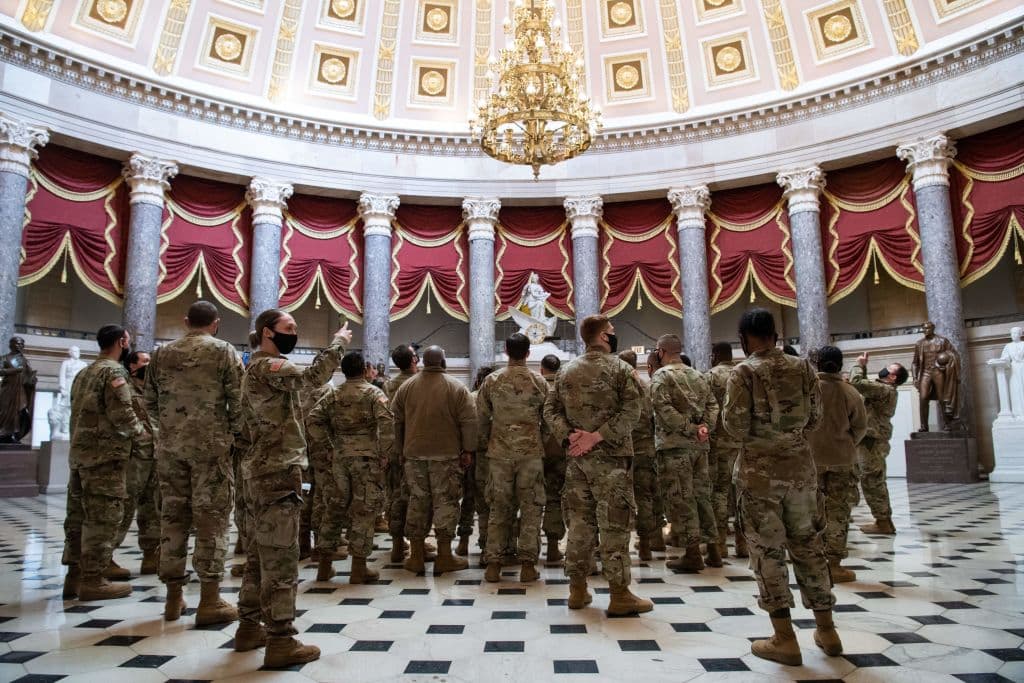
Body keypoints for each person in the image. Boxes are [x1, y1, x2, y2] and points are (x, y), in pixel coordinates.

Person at [722, 308, 841, 666]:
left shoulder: (743, 372)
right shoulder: (803, 366)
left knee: (768, 553)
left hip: (759, 476)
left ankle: (784, 638)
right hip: (801, 471)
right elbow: (815, 418)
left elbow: (734, 427)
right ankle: (827, 629)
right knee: (809, 546)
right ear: (774, 335)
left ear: (743, 340)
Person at [236, 309, 350, 668]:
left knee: (257, 556)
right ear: (268, 332)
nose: (294, 333)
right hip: (276, 472)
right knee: (281, 560)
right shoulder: (269, 367)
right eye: (289, 328)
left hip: (260, 470)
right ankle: (281, 641)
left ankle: (248, 627)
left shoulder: (258, 370)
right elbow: (314, 376)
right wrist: (338, 344)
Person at [543, 315, 651, 616]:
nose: (614, 336)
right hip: (612, 460)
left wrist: (569, 437)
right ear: (604, 336)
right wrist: (598, 436)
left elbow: (549, 410)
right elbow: (634, 410)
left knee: (579, 524)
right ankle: (619, 594)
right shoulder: (621, 369)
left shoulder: (566, 371)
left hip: (577, 461)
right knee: (614, 525)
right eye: (612, 332)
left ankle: (577, 590)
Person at [144, 301, 242, 625]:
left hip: (170, 450)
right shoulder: (224, 351)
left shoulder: (160, 354)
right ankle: (210, 600)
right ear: (216, 323)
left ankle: (173, 599)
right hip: (211, 449)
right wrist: (235, 438)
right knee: (211, 522)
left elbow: (150, 403)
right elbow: (238, 403)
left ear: (187, 321)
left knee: (172, 520)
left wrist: (171, 431)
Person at [62, 325, 143, 601]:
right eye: (128, 341)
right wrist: (144, 435)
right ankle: (94, 580)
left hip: (80, 456)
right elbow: (123, 415)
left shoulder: (84, 372)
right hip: (105, 458)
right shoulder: (114, 372)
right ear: (122, 342)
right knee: (102, 518)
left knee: (76, 517)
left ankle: (73, 576)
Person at [307, 351, 393, 584]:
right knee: (364, 510)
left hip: (339, 459)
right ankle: (358, 568)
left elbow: (313, 419)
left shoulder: (333, 394)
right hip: (366, 459)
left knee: (333, 509)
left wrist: (327, 445)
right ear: (365, 370)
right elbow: (387, 422)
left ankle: (324, 567)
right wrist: (385, 453)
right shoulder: (373, 393)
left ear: (342, 371)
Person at [391, 345, 476, 575]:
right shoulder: (457, 387)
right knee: (446, 504)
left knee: (417, 502)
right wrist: (468, 450)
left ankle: (416, 556)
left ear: (424, 361)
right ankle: (445, 556)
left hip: (413, 455)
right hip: (446, 457)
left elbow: (396, 422)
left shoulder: (406, 387)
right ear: (443, 361)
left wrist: (400, 450)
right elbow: (469, 421)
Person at [478, 334, 548, 582]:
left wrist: (488, 442)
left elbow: (481, 419)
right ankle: (528, 566)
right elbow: (549, 420)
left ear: (506, 351)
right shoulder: (539, 382)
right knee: (531, 509)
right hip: (530, 454)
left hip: (499, 454)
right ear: (529, 353)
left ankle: (493, 565)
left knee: (499, 508)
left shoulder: (492, 381)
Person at [650, 334, 719, 571]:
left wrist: (689, 429)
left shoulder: (661, 376)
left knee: (682, 498)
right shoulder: (697, 374)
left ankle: (692, 554)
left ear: (660, 352)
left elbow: (663, 410)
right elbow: (712, 404)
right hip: (700, 446)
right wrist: (704, 428)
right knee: (702, 496)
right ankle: (714, 550)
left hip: (675, 447)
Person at [807, 346, 867, 583]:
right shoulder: (850, 392)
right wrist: (846, 443)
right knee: (838, 514)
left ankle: (811, 562)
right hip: (842, 460)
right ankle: (833, 565)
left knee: (811, 512)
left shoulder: (807, 391)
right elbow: (860, 427)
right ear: (840, 364)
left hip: (810, 461)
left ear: (817, 364)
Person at [110, 351, 161, 576]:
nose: (149, 365)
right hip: (133, 458)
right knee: (124, 506)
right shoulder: (124, 389)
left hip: (155, 456)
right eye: (145, 362)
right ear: (132, 365)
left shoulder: (154, 393)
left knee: (152, 508)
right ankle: (106, 556)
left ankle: (151, 555)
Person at [850, 351, 908, 535]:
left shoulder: (884, 389)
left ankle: (883, 521)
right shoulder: (883, 389)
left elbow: (857, 383)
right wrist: (864, 368)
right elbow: (866, 388)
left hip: (871, 441)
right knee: (870, 478)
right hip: (871, 439)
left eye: (888, 369)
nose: (884, 370)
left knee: (872, 480)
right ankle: (883, 520)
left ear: (892, 377)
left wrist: (858, 365)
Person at [705, 342, 746, 559]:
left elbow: (704, 408)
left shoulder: (710, 376)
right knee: (741, 494)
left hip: (717, 444)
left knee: (718, 493)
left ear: (715, 355)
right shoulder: (744, 373)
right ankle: (743, 544)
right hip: (742, 444)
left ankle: (719, 544)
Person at [617, 350, 659, 561]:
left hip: (620, 450)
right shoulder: (647, 386)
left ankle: (619, 545)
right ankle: (645, 544)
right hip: (645, 449)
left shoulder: (616, 386)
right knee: (645, 498)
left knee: (616, 499)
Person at [385, 344, 419, 563]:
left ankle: (397, 544)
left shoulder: (388, 385)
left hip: (391, 446)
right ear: (414, 360)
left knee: (394, 496)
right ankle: (416, 543)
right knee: (416, 497)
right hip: (412, 446)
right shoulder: (416, 384)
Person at [539, 354, 567, 563]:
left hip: (535, 451)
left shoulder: (536, 385)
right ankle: (552, 547)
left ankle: (524, 551)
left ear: (542, 369)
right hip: (559, 450)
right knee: (555, 499)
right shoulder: (565, 388)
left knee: (529, 502)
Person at [468, 365, 495, 563]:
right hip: (504, 455)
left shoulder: (471, 398)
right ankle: (507, 546)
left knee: (482, 505)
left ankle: (486, 547)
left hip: (478, 456)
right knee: (505, 504)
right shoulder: (502, 396)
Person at [912, 321, 961, 431]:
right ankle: (924, 426)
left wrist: (947, 359)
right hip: (925, 372)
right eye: (924, 329)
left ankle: (947, 424)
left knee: (942, 398)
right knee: (923, 398)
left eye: (928, 328)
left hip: (938, 372)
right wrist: (915, 377)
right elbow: (915, 363)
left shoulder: (942, 341)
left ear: (933, 328)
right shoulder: (919, 344)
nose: (926, 331)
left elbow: (955, 354)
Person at [0, 336, 37, 443]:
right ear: (11, 345)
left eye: (22, 344)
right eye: (18, 343)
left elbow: (28, 376)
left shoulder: (24, 360)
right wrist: (14, 370)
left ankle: (15, 434)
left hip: (21, 390)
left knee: (21, 411)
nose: (20, 346)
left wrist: (32, 379)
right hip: (8, 389)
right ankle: (4, 433)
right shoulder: (4, 358)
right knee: (5, 410)